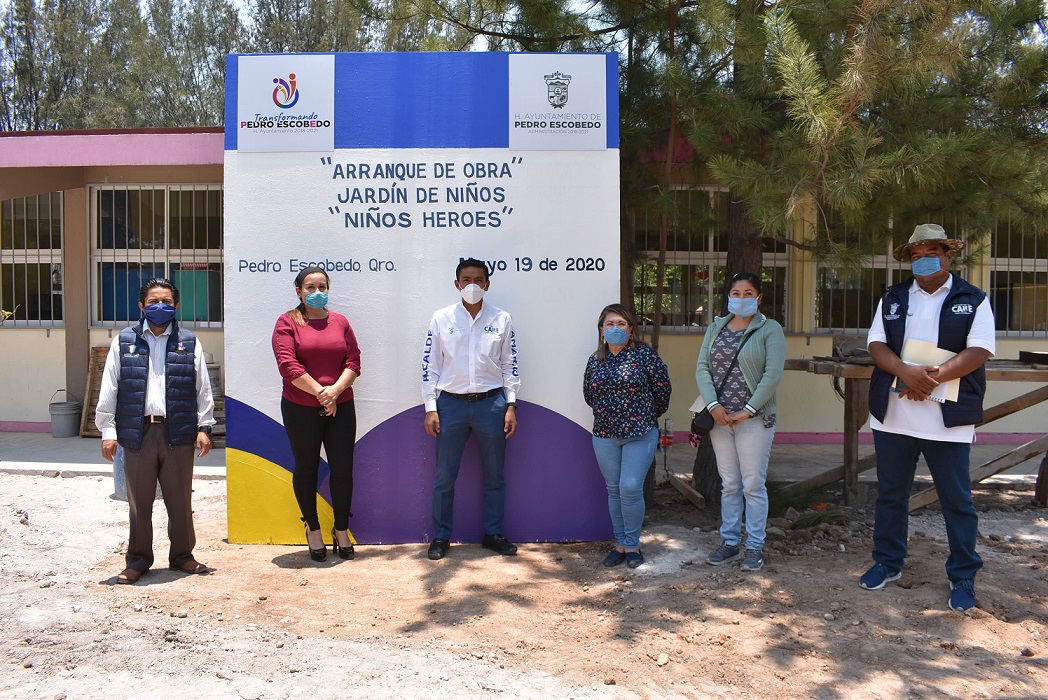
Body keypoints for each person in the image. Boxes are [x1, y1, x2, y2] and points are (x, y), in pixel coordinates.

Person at [861, 224, 994, 612]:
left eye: (932, 252)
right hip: (895, 415)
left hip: (947, 418)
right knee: (891, 495)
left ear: (949, 256)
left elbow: (980, 349)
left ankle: (963, 575)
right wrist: (906, 373)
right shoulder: (894, 296)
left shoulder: (973, 298)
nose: (923, 260)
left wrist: (929, 379)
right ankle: (887, 563)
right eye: (916, 254)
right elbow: (876, 343)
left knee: (956, 500)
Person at [95, 278, 216, 584]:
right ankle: (138, 560)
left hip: (179, 432)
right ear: (141, 306)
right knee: (140, 501)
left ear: (175, 306)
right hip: (138, 432)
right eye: (152, 302)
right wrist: (107, 430)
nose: (159, 307)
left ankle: (182, 557)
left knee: (179, 500)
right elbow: (110, 386)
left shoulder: (188, 342)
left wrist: (204, 426)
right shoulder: (124, 341)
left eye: (166, 302)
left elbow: (202, 387)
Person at [421, 258, 520, 560]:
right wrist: (431, 407)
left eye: (479, 279)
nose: (472, 285)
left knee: (494, 475)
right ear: (457, 284)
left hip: (492, 405)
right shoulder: (441, 318)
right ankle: (440, 537)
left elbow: (509, 365)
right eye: (466, 279)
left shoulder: (502, 319)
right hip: (450, 405)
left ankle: (492, 534)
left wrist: (511, 404)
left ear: (487, 284)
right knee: (444, 476)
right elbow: (430, 366)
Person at [696, 272, 786, 573]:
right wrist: (714, 406)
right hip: (721, 418)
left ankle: (755, 547)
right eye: (736, 292)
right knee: (730, 484)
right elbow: (702, 368)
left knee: (752, 484)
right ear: (728, 296)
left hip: (754, 420)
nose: (742, 298)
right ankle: (730, 543)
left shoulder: (769, 329)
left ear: (759, 298)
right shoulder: (716, 327)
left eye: (749, 293)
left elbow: (771, 375)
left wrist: (746, 410)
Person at [272, 266, 362, 562]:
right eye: (310, 287)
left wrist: (334, 392)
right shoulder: (287, 322)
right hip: (300, 408)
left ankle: (341, 530)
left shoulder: (341, 322)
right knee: (307, 468)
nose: (317, 291)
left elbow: (353, 361)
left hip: (341, 406)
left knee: (342, 469)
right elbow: (289, 367)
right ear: (298, 291)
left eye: (322, 286)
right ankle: (312, 529)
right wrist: (323, 395)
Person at [583, 304, 671, 568]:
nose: (615, 329)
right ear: (601, 329)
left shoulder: (645, 356)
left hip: (640, 433)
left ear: (631, 329)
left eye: (621, 324)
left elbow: (662, 392)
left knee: (630, 488)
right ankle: (619, 543)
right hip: (605, 434)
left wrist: (641, 415)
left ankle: (633, 545)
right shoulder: (595, 360)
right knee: (614, 489)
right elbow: (589, 394)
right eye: (609, 324)